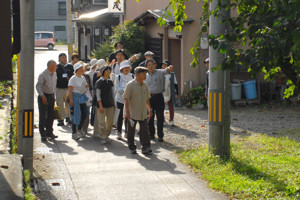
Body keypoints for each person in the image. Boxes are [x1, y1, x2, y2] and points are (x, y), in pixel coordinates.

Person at [123, 66, 152, 155]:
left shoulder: (145, 85)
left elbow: (147, 99)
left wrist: (150, 109)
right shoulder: (130, 85)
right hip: (132, 113)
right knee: (131, 132)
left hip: (143, 112)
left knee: (144, 131)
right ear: (138, 74)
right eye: (144, 73)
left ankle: (146, 147)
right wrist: (127, 112)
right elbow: (126, 99)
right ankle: (132, 147)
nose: (145, 75)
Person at [145, 59, 173, 142]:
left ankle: (160, 135)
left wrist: (169, 68)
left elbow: (166, 70)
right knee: (150, 116)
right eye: (148, 65)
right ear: (146, 66)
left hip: (159, 96)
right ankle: (151, 134)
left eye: (152, 64)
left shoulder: (160, 72)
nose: (150, 66)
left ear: (155, 65)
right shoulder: (145, 75)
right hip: (149, 98)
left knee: (160, 117)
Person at [36, 60, 58, 142]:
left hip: (51, 96)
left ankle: (49, 132)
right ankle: (43, 134)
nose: (56, 67)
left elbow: (54, 86)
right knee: (43, 115)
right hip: (44, 96)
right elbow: (38, 86)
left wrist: (54, 96)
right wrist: (42, 96)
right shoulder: (43, 75)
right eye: (55, 66)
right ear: (51, 66)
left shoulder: (55, 74)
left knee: (51, 115)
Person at [68, 63, 89, 140]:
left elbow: (85, 86)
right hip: (75, 97)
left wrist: (86, 87)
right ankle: (74, 132)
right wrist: (71, 100)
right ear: (76, 70)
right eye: (80, 68)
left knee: (84, 114)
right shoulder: (73, 78)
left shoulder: (83, 78)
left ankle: (79, 128)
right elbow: (70, 90)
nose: (81, 69)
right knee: (75, 115)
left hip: (82, 97)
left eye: (82, 68)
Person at [95, 65, 115, 144]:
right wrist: (100, 105)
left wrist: (114, 103)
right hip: (102, 105)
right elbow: (98, 95)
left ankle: (107, 135)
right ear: (103, 71)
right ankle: (102, 136)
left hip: (110, 104)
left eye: (109, 70)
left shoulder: (110, 81)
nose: (108, 72)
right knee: (102, 122)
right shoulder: (99, 82)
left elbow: (112, 93)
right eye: (106, 70)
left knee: (110, 121)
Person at [114, 60, 134, 140]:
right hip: (120, 99)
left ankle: (127, 131)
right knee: (119, 116)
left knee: (127, 115)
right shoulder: (118, 77)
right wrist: (125, 90)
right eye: (124, 67)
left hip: (130, 99)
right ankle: (119, 132)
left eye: (127, 67)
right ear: (121, 69)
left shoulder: (132, 76)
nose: (126, 69)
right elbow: (117, 88)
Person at [56, 53, 74, 126]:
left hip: (67, 88)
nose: (64, 59)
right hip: (59, 88)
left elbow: (72, 75)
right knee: (59, 104)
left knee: (68, 103)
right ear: (59, 58)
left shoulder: (69, 66)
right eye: (62, 57)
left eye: (65, 57)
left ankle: (68, 117)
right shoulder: (57, 67)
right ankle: (60, 119)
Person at [91, 59, 107, 138]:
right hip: (97, 97)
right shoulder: (96, 74)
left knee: (102, 116)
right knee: (97, 116)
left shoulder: (105, 74)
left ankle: (101, 132)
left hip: (104, 97)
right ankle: (96, 132)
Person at [162, 60, 179, 126]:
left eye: (165, 65)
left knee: (171, 106)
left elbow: (175, 83)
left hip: (170, 91)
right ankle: (162, 120)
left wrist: (177, 93)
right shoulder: (160, 73)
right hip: (162, 92)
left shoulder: (172, 74)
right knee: (161, 107)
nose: (163, 66)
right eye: (163, 65)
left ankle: (171, 120)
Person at [80, 61, 93, 135]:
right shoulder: (75, 77)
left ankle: (85, 129)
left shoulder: (87, 76)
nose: (85, 69)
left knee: (87, 113)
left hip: (87, 98)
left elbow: (90, 87)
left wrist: (91, 97)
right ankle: (79, 128)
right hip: (79, 97)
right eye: (83, 67)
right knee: (80, 114)